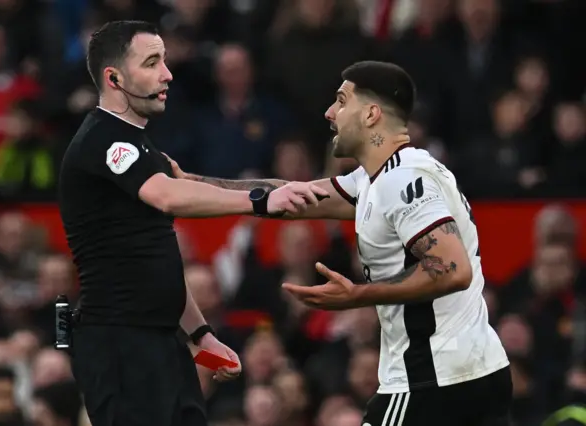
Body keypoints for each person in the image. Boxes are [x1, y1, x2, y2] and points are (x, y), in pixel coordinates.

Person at [167, 61, 512, 426]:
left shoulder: (403, 179)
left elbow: (452, 269)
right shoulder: (375, 180)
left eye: (341, 100)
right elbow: (289, 197)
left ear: (371, 114)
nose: (329, 112)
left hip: (433, 378)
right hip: (471, 370)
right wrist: (194, 183)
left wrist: (356, 296)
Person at [57, 20, 328, 426]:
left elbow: (157, 254)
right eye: (151, 63)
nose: (167, 73)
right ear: (114, 78)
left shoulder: (143, 148)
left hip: (163, 340)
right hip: (120, 343)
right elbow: (169, 194)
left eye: (165, 60)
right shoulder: (103, 140)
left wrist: (201, 334)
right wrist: (258, 202)